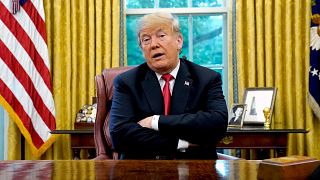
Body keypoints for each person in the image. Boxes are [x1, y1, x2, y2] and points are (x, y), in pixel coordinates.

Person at [109, 12, 228, 159]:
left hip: (195, 170)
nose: (153, 44)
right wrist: (181, 143)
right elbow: (119, 134)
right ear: (142, 50)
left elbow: (218, 123)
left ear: (179, 41)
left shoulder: (207, 78)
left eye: (161, 36)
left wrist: (155, 121)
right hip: (142, 170)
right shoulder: (127, 82)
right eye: (146, 40)